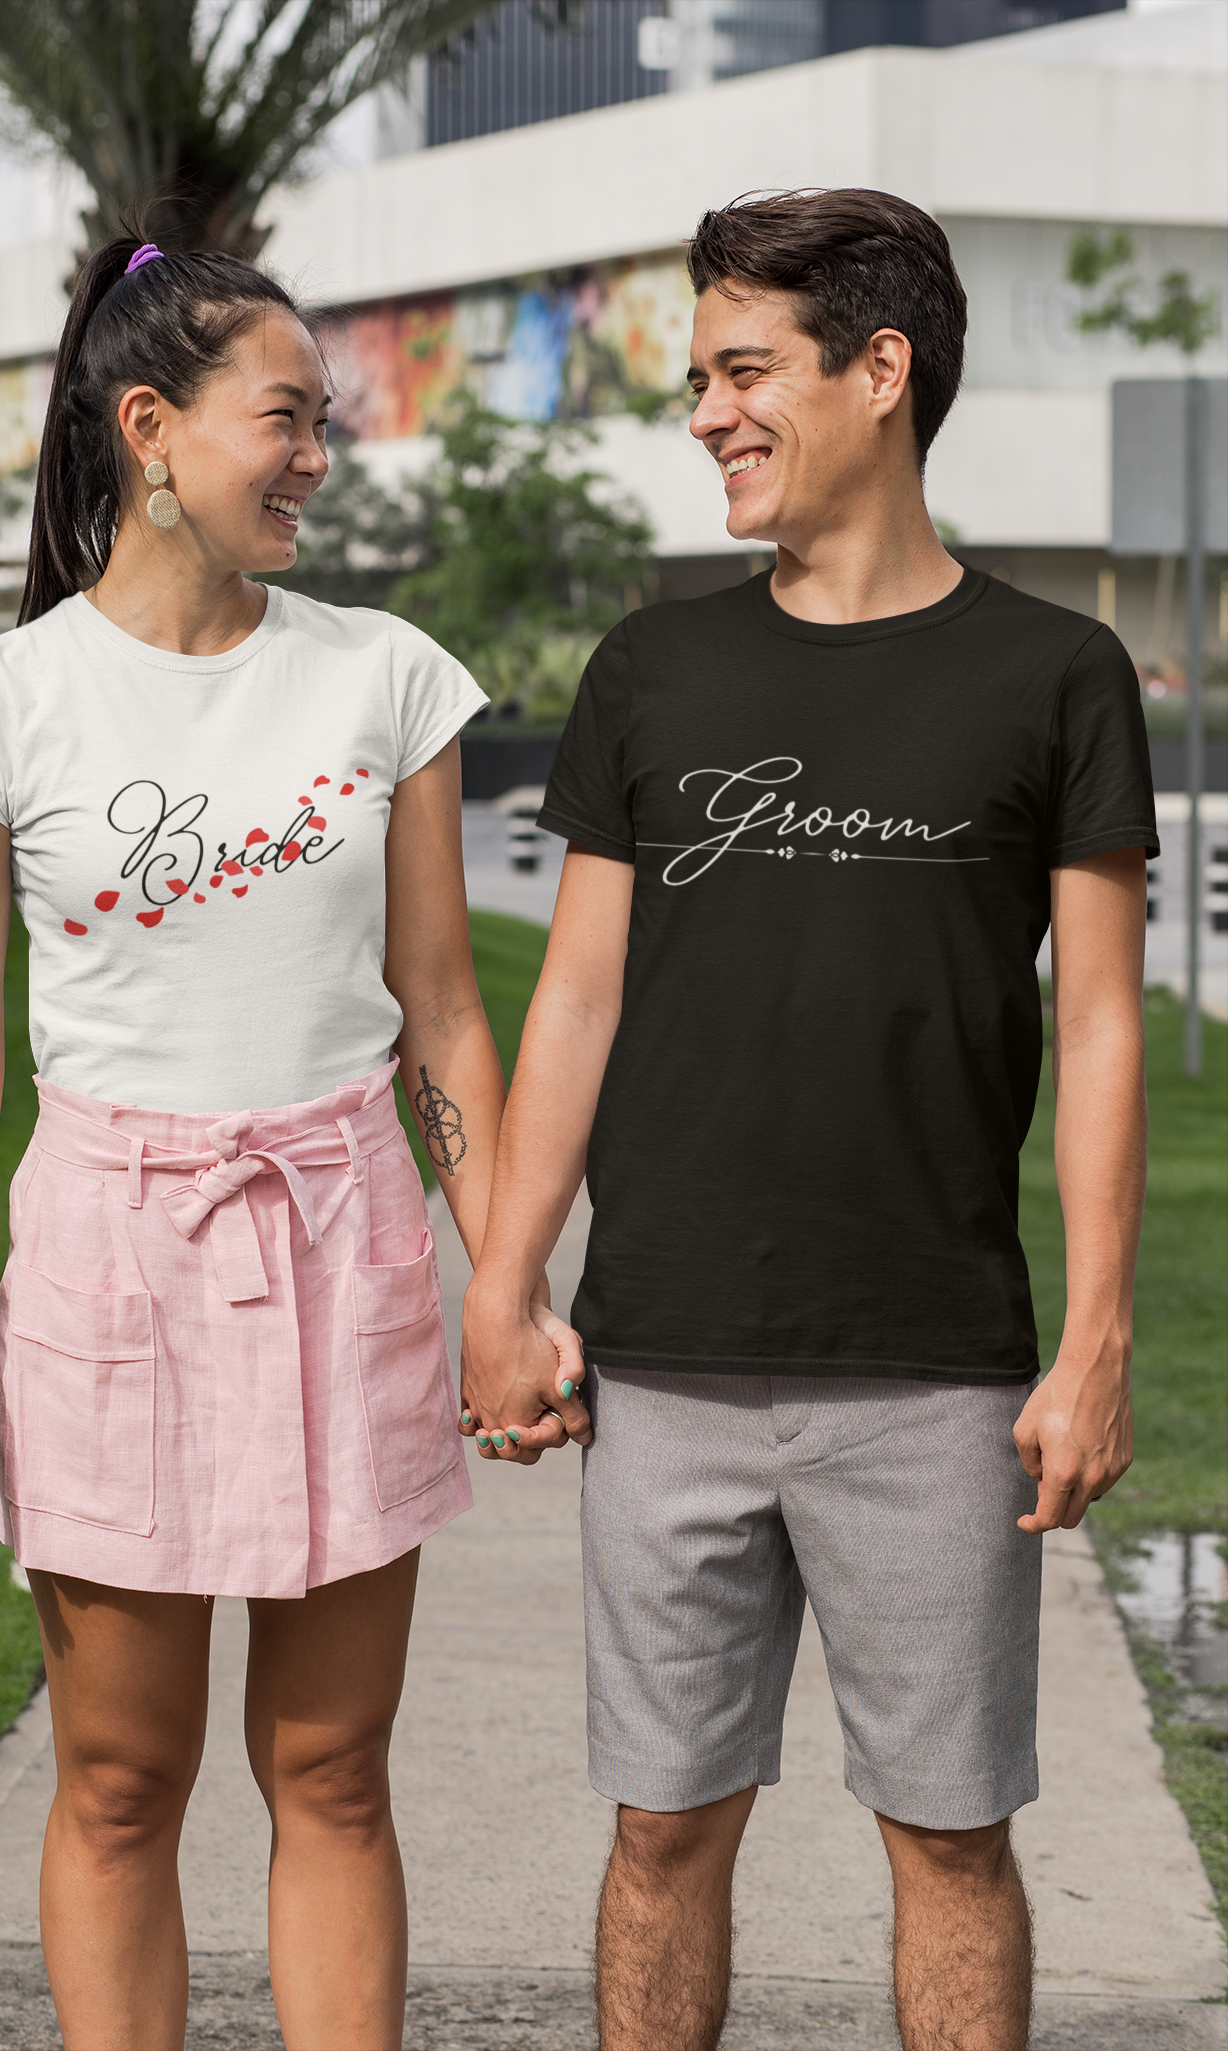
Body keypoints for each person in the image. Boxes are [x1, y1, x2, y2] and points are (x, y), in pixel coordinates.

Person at [460, 188, 1155, 2051]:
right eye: (700, 376)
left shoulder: (1056, 675)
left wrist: (1093, 1342)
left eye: (744, 368)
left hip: (934, 1372)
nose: (707, 411)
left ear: (882, 372)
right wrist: (509, 1280)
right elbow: (580, 997)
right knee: (664, 1828)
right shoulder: (653, 673)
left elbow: (1098, 1025)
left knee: (948, 1841)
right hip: (666, 1359)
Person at [0, 232, 571, 2051]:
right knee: (121, 1778)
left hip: (342, 1239)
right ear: (152, 429)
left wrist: (504, 1286)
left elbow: (443, 1012)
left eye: (323, 424)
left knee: (333, 1767)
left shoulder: (386, 680)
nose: (318, 459)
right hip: (110, 1256)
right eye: (288, 419)